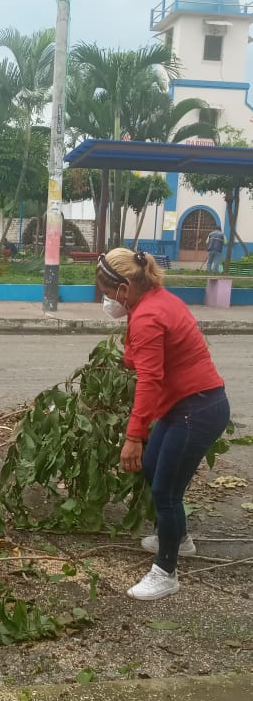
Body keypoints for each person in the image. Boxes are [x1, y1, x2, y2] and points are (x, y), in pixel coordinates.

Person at [96, 248, 230, 601]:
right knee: (154, 467)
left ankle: (165, 572)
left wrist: (134, 436)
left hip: (197, 410)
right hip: (187, 405)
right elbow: (137, 358)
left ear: (124, 288)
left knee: (165, 492)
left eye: (108, 293)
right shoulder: (153, 300)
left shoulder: (148, 315)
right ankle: (179, 538)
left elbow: (149, 380)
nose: (107, 301)